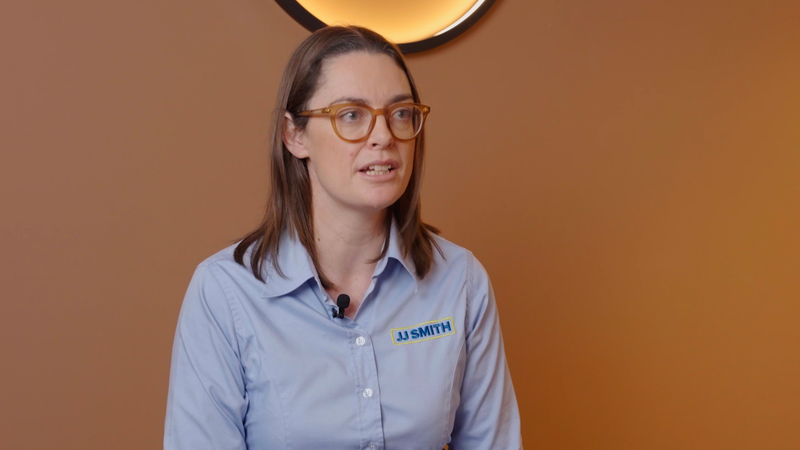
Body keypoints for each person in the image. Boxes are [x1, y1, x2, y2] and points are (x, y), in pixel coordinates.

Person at [164, 25, 522, 450]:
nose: (384, 136)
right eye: (351, 115)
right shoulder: (224, 293)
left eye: (400, 113)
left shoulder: (461, 280)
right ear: (295, 135)